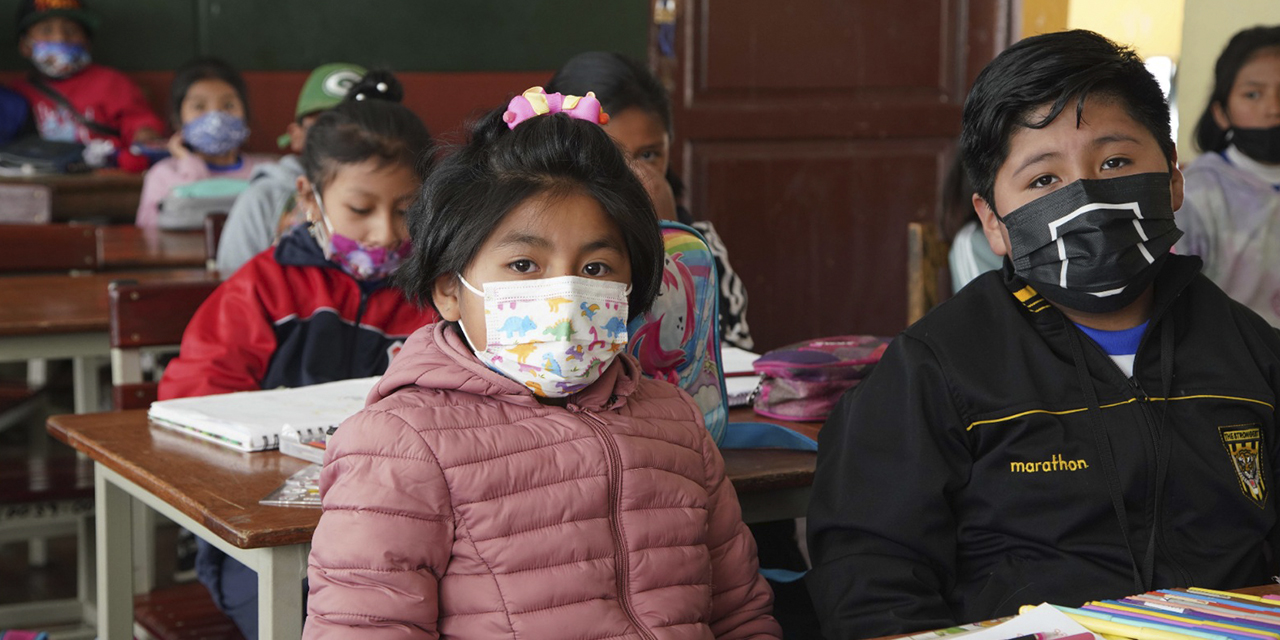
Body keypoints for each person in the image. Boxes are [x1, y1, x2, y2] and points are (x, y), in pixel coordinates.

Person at [807, 29, 1280, 639]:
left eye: (1115, 162)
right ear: (993, 223)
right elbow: (869, 582)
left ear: (1172, 179)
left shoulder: (1254, 355)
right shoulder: (934, 370)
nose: (1085, 197)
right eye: (1042, 181)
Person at [303, 89, 781, 638]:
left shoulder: (674, 420)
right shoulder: (399, 444)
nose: (566, 293)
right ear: (449, 291)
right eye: (525, 263)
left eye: (597, 266)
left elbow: (740, 613)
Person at [158, 71, 437, 639]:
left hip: (405, 531)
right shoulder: (262, 291)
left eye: (407, 210)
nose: (385, 232)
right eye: (360, 208)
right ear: (310, 197)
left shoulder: (437, 295)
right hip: (266, 537)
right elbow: (195, 411)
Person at [546, 51, 755, 351]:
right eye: (610, 157)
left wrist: (666, 239)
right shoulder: (536, 252)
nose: (636, 177)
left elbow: (726, 353)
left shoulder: (699, 243)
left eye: (649, 155)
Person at [215, 62, 368, 275]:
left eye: (360, 125)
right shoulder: (263, 198)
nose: (342, 139)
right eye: (324, 126)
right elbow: (234, 288)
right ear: (296, 135)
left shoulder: (410, 198)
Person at [1175, 26, 1280, 327]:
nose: (1273, 108)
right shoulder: (1197, 193)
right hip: (1231, 359)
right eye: (1253, 94)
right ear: (1221, 112)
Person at [10, 0, 162, 171]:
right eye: (46, 30)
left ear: (87, 42)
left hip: (102, 177)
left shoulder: (111, 82)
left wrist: (146, 140)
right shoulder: (15, 94)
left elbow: (142, 128)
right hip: (41, 177)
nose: (60, 38)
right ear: (25, 46)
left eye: (71, 30)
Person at [135, 57, 273, 228]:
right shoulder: (162, 175)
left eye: (228, 105)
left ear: (245, 114)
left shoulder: (265, 173)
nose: (216, 117)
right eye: (199, 107)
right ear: (178, 120)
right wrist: (189, 164)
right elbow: (149, 237)